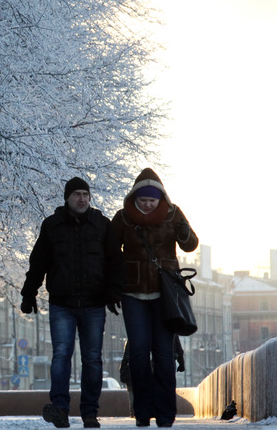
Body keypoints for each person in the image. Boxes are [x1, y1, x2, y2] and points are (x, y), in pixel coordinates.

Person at [20, 177, 125, 429]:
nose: (82, 199)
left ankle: (90, 412)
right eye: (77, 194)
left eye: (85, 194)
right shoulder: (52, 226)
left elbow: (115, 262)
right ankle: (60, 410)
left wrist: (113, 293)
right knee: (61, 356)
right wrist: (28, 293)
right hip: (62, 304)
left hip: (94, 303)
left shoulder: (102, 225)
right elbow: (39, 262)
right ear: (67, 198)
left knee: (92, 359)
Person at [111, 168, 198, 428]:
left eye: (152, 199)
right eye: (143, 199)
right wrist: (113, 288)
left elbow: (190, 244)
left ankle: (165, 414)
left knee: (162, 353)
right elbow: (111, 255)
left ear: (161, 198)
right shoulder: (123, 218)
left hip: (164, 295)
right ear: (134, 198)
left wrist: (182, 228)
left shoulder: (172, 214)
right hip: (132, 293)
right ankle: (142, 412)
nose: (148, 204)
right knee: (138, 351)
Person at [119, 337, 186, 419]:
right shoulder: (169, 329)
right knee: (166, 387)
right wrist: (181, 363)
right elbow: (179, 349)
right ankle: (165, 413)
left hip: (143, 367)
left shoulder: (140, 331)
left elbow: (127, 353)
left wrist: (123, 367)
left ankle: (140, 413)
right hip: (167, 363)